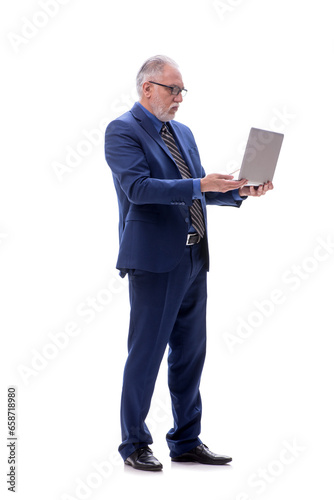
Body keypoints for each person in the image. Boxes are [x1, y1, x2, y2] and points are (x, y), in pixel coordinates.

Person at [104, 55, 273, 472]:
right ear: (148, 89)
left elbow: (196, 191)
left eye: (182, 90)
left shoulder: (183, 132)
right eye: (173, 89)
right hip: (154, 262)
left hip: (194, 256)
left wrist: (238, 191)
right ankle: (134, 443)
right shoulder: (122, 131)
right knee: (146, 353)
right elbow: (140, 189)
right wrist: (200, 183)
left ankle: (185, 440)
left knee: (190, 354)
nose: (180, 97)